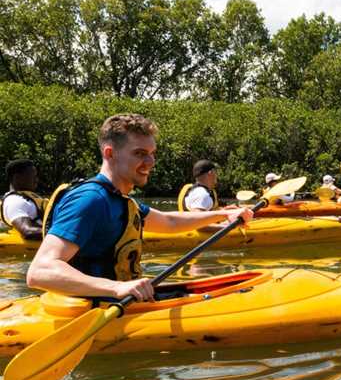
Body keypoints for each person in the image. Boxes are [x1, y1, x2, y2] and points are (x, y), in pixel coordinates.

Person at [27, 113, 252, 303]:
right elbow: (40, 271)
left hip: (122, 302)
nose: (151, 163)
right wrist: (115, 288)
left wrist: (224, 214)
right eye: (140, 154)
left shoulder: (121, 199)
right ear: (109, 153)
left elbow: (168, 221)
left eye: (152, 154)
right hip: (94, 309)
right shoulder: (90, 200)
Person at [1, 158, 46, 240]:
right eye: (33, 176)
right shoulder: (15, 201)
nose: (37, 180)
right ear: (17, 177)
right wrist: (68, 233)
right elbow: (27, 231)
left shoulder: (26, 198)